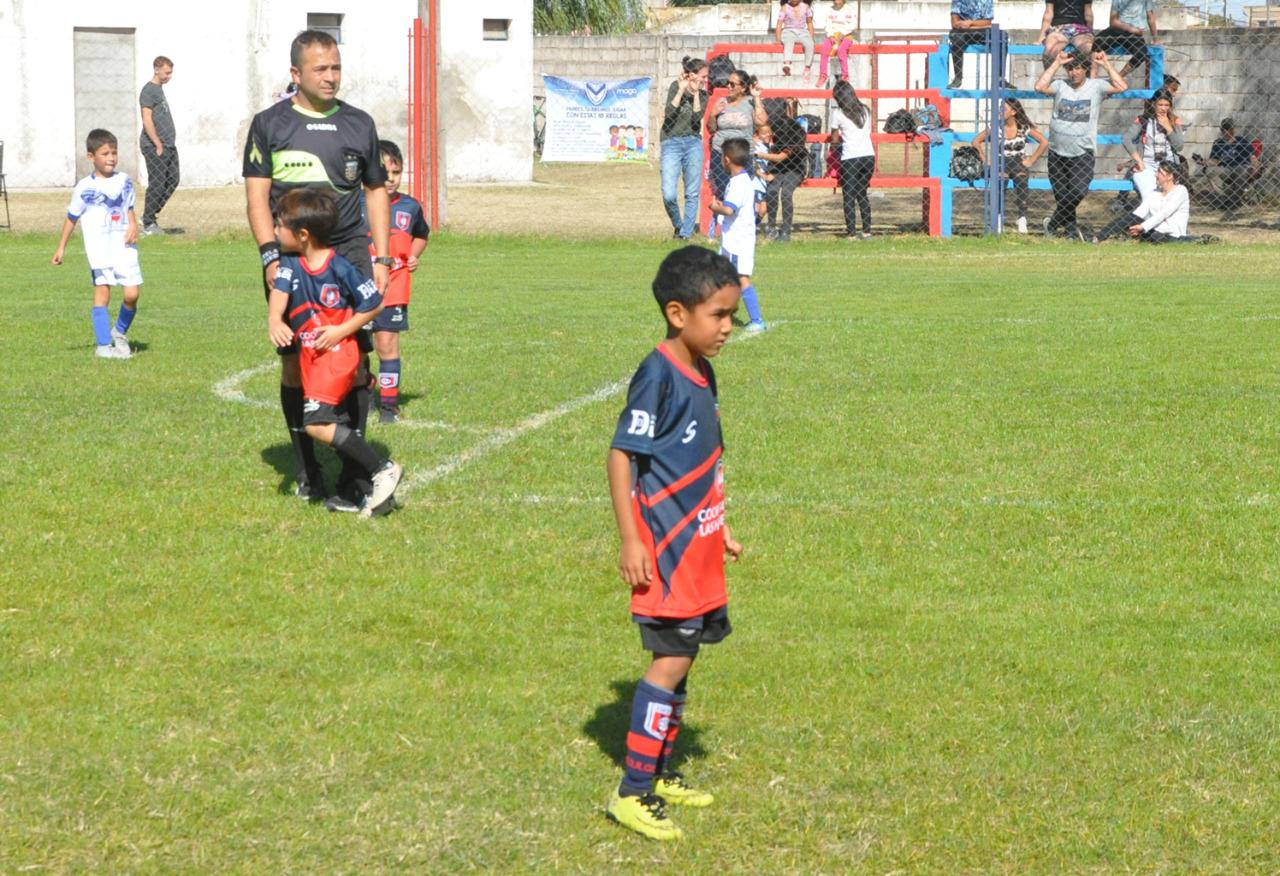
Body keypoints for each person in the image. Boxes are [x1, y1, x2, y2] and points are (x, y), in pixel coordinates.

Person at [603, 245, 744, 842]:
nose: (727, 328)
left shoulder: (702, 371)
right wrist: (631, 538)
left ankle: (659, 770)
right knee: (671, 659)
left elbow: (705, 456)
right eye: (718, 315)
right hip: (665, 550)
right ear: (677, 312)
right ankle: (631, 793)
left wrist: (721, 519)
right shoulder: (658, 372)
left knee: (687, 657)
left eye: (731, 315)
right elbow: (621, 455)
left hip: (700, 543)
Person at [243, 29, 392, 508]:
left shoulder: (359, 124)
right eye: (320, 69)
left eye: (336, 68)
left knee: (355, 362)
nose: (331, 77)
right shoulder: (269, 124)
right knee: (296, 361)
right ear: (296, 74)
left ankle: (355, 476)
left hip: (347, 254)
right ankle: (309, 470)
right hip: (289, 257)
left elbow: (374, 192)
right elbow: (256, 196)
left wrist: (382, 257)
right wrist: (270, 254)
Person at [266, 188, 403, 515]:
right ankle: (366, 490)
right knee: (331, 423)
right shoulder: (289, 263)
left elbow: (373, 304)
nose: (273, 230)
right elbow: (279, 295)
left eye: (278, 225)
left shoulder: (340, 267)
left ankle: (381, 468)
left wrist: (341, 331)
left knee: (316, 424)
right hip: (313, 358)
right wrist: (274, 320)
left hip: (338, 354)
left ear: (301, 235)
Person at [51, 129, 142, 360]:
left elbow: (128, 207)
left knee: (132, 294)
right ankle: (103, 347)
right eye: (105, 153)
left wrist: (133, 225)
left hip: (124, 246)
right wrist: (61, 247)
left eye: (114, 152)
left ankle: (119, 332)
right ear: (91, 157)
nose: (111, 157)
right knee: (102, 293)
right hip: (100, 250)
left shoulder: (124, 181)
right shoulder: (84, 188)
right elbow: (72, 217)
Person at [1035, 50, 1126, 240]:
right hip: (1057, 151)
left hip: (1082, 152)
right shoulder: (1060, 85)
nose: (1073, 73)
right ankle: (1070, 232)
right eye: (1069, 69)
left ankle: (1051, 224)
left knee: (1077, 191)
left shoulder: (1096, 87)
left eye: (1077, 68)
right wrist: (1057, 63)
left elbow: (1121, 86)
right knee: (1062, 195)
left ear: (1085, 69)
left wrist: (1106, 65)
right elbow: (1039, 86)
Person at [370, 140, 430, 425]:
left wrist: (413, 256)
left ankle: (388, 405)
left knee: (387, 344)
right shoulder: (356, 203)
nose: (390, 179)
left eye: (396, 173)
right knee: (355, 348)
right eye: (384, 173)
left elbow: (421, 235)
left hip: (394, 287)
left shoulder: (409, 206)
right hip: (360, 289)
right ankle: (364, 388)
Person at [709, 139, 766, 332]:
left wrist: (715, 207)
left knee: (741, 278)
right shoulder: (741, 180)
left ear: (726, 159)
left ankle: (757, 321)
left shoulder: (739, 184)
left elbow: (729, 210)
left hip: (738, 241)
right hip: (733, 239)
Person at [974, 97, 1049, 234]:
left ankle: (1021, 218)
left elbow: (1044, 141)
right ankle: (997, 218)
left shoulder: (1023, 128)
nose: (999, 111)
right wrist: (985, 159)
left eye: (1003, 109)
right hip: (1000, 161)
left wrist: (1031, 160)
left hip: (1018, 162)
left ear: (1013, 112)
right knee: (1001, 180)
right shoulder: (995, 127)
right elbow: (976, 141)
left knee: (1021, 180)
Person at [661, 57, 709, 241]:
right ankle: (679, 225)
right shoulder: (676, 86)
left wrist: (696, 93)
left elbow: (697, 119)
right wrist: (682, 89)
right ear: (692, 74)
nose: (705, 79)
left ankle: (685, 235)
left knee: (692, 192)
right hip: (671, 142)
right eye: (702, 76)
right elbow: (669, 114)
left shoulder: (704, 95)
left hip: (692, 143)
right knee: (669, 194)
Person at [1093, 159, 1197, 242]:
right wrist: (1129, 226)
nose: (1156, 175)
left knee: (1155, 236)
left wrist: (1142, 227)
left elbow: (1163, 214)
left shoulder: (1180, 191)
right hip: (1154, 230)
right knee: (1131, 218)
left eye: (1160, 172)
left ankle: (1195, 240)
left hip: (1173, 234)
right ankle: (1098, 237)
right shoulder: (1155, 193)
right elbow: (1138, 214)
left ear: (1170, 176)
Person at [706, 69, 767, 205]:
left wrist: (757, 97)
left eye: (733, 84)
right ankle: (721, 224)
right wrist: (712, 115)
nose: (728, 86)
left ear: (743, 87)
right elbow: (711, 129)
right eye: (728, 83)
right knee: (722, 191)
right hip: (720, 153)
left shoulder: (751, 102)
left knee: (740, 191)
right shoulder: (722, 101)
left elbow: (761, 122)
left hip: (742, 154)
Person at [830, 79, 876, 239]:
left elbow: (834, 139)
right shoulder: (865, 110)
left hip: (851, 157)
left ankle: (851, 233)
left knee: (848, 195)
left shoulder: (838, 113)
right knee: (862, 193)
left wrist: (834, 146)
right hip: (869, 156)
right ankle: (867, 231)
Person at [139, 56, 179, 236]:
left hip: (169, 145)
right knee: (157, 183)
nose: (169, 76)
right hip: (155, 146)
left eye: (170, 73)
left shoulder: (159, 90)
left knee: (173, 180)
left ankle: (149, 214)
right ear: (156, 69)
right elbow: (146, 119)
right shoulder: (148, 91)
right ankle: (148, 223)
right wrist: (157, 143)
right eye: (166, 73)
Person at [1124, 89, 1182, 208]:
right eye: (1160, 104)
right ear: (1153, 104)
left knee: (1168, 199)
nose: (1163, 108)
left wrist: (1168, 127)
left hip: (1168, 166)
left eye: (1167, 105)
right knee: (1149, 196)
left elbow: (1179, 146)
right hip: (1147, 166)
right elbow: (1126, 139)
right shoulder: (1143, 120)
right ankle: (1149, 224)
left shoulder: (1174, 120)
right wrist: (1139, 161)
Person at [760, 112, 808, 243]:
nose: (772, 134)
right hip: (778, 167)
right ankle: (771, 227)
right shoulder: (775, 135)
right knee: (772, 191)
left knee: (786, 193)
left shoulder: (795, 139)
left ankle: (786, 231)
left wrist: (759, 155)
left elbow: (781, 157)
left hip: (795, 167)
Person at [1196, 117, 1259, 211]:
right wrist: (1204, 162)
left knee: (1240, 169)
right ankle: (1222, 198)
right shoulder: (1218, 143)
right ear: (1221, 130)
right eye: (1224, 129)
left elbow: (1253, 158)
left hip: (1242, 169)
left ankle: (1235, 200)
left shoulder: (1242, 141)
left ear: (1234, 129)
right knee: (1209, 170)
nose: (1227, 132)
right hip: (1226, 170)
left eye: (1230, 129)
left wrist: (1255, 168)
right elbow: (1215, 160)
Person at [1092, 0, 1157, 80]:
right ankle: (1092, 78)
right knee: (1097, 42)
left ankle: (1117, 78)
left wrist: (1155, 38)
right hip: (1118, 29)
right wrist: (1130, 28)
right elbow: (1113, 22)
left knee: (1141, 53)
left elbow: (1150, 18)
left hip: (1135, 34)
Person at [949, 0, 994, 89]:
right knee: (956, 37)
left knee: (1001, 36)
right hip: (963, 32)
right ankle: (958, 78)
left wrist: (970, 23)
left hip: (982, 32)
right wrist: (977, 25)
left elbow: (988, 23)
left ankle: (999, 78)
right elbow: (955, 23)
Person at [1037, 0, 1094, 69]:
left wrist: (1090, 32)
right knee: (1050, 50)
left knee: (1090, 49)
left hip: (1080, 28)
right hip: (1059, 28)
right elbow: (1048, 13)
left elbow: (1088, 14)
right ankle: (1047, 77)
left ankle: (1091, 78)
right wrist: (1041, 37)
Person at [817, 0, 857, 87]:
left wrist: (843, 34)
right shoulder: (829, 10)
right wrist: (831, 36)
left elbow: (853, 25)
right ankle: (823, 75)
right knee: (824, 51)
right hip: (833, 35)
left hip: (846, 35)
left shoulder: (850, 10)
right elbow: (827, 25)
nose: (836, 1)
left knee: (841, 50)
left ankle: (845, 76)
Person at [776, 0, 816, 82]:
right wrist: (778, 39)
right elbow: (779, 24)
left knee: (810, 44)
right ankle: (787, 64)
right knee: (788, 42)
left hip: (802, 31)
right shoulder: (784, 8)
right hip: (788, 31)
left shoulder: (806, 7)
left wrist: (811, 37)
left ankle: (807, 68)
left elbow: (809, 23)